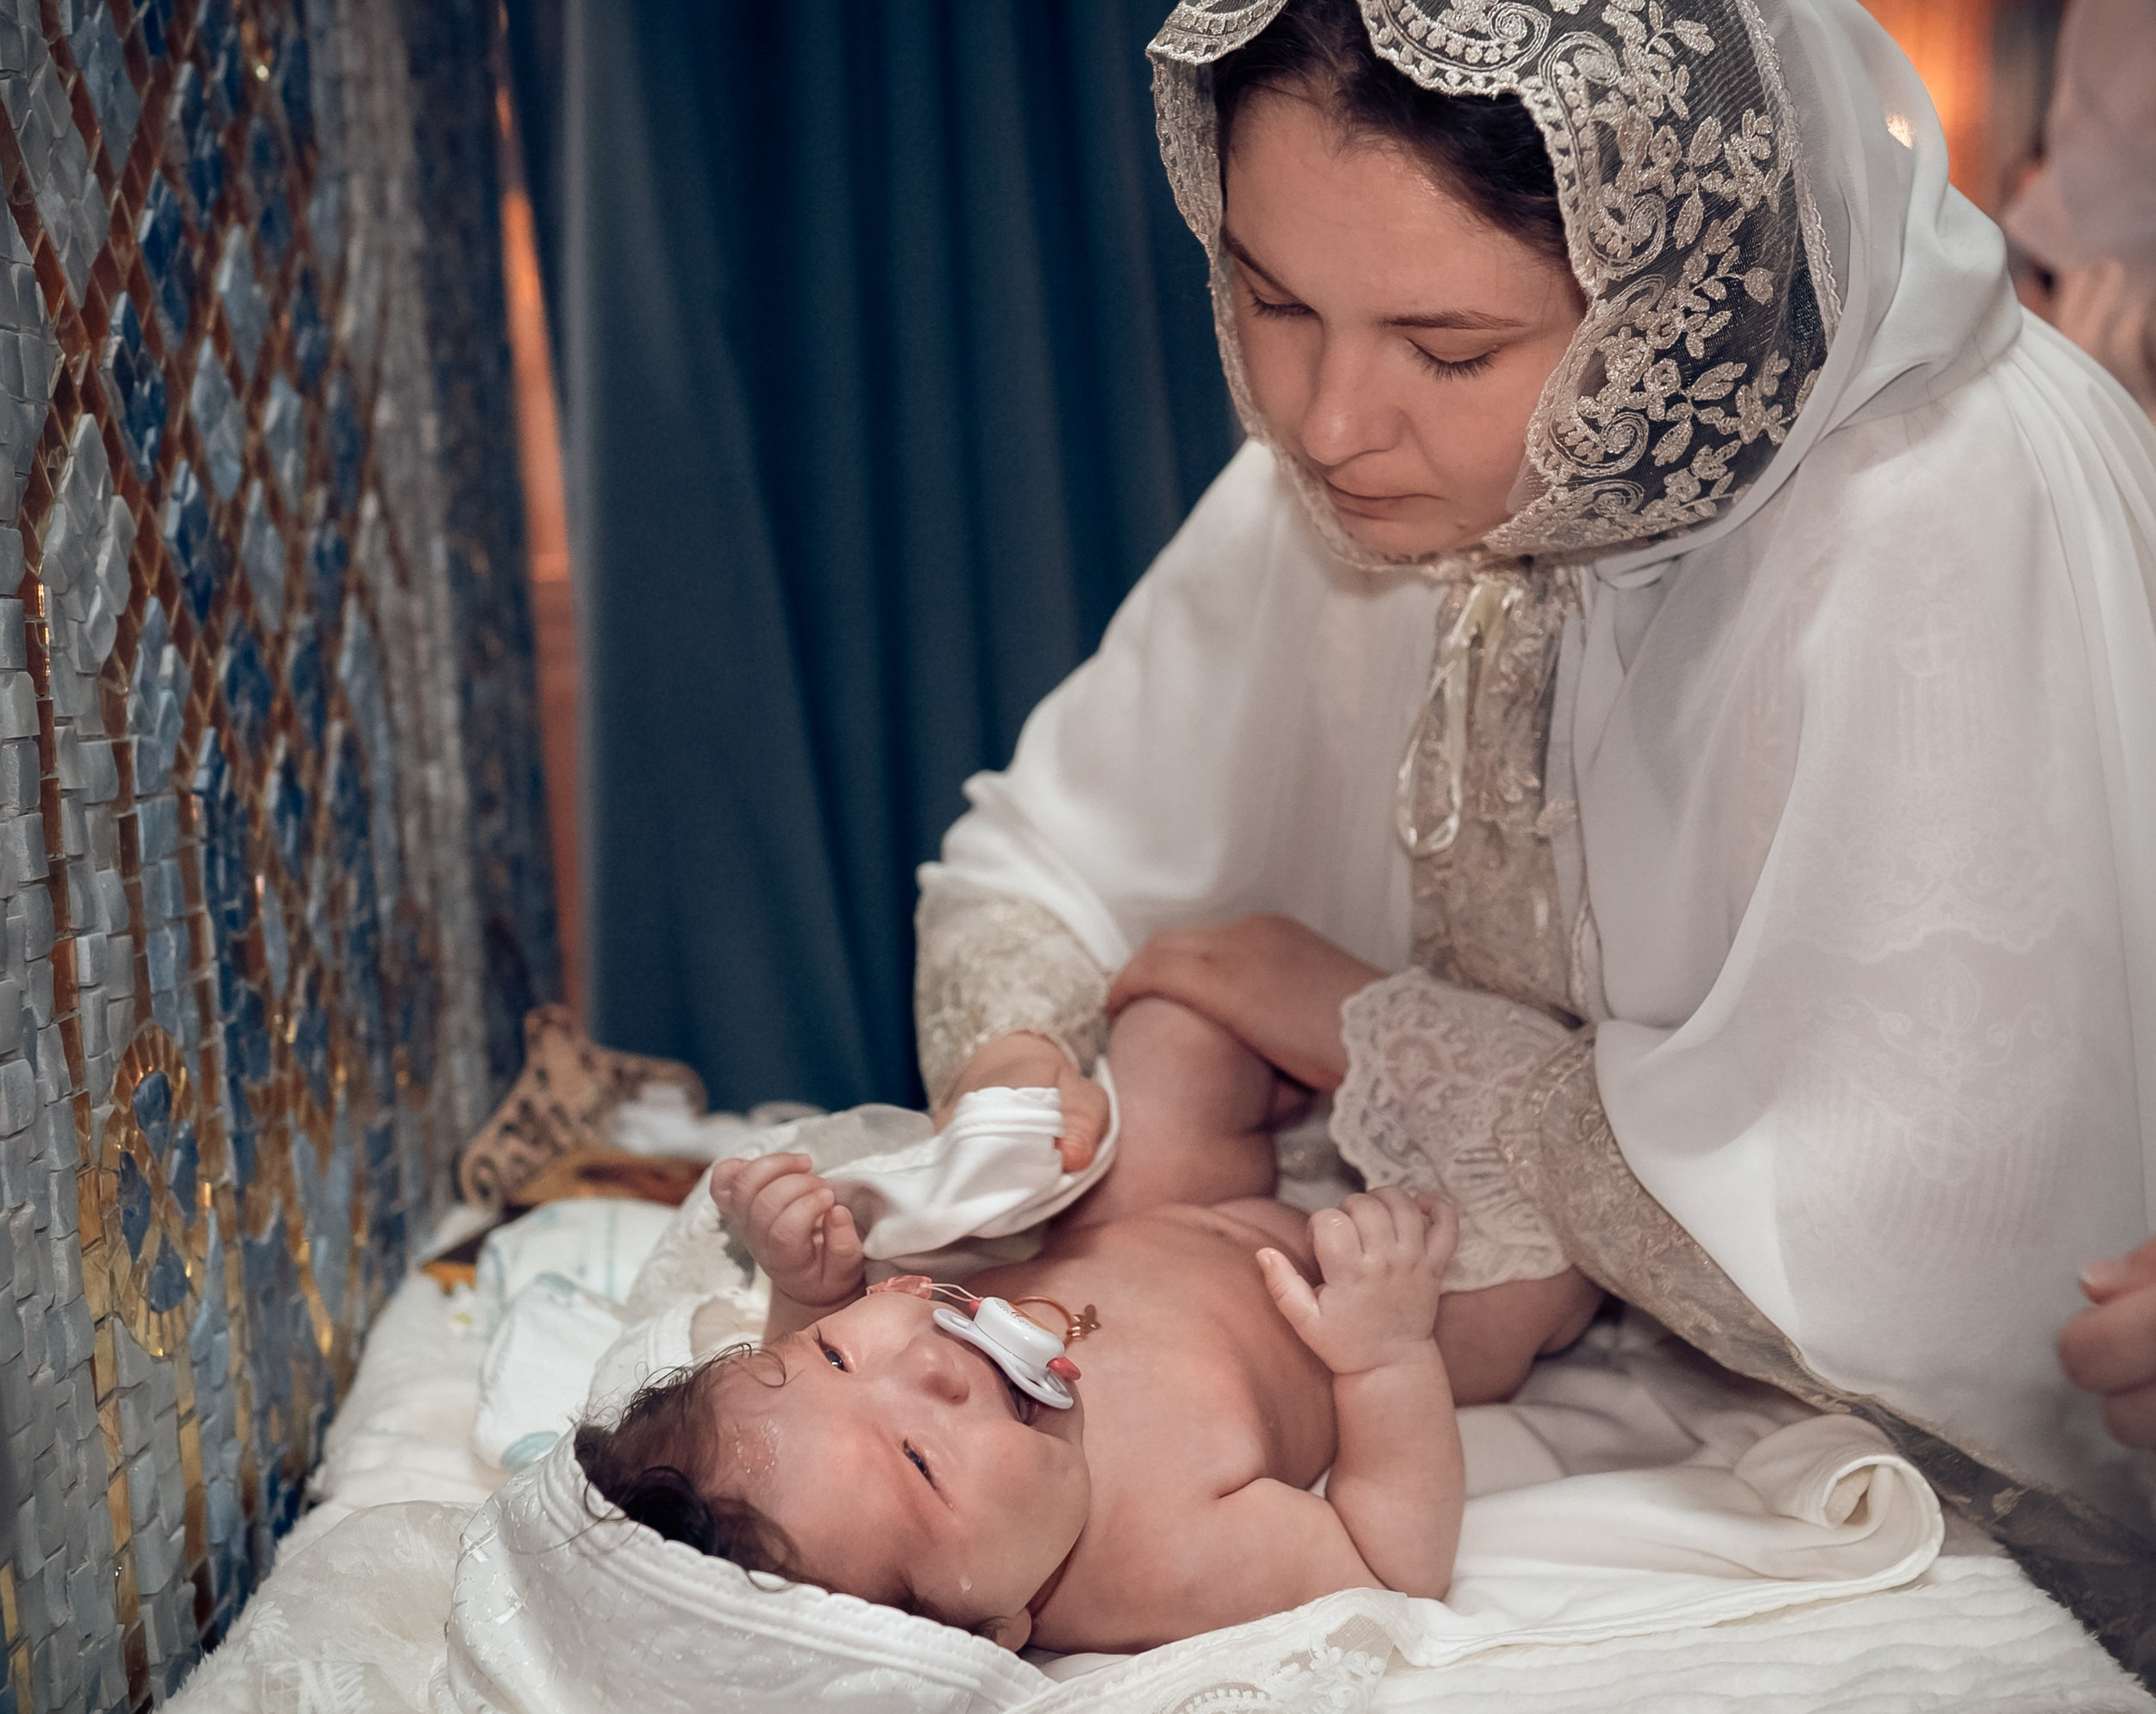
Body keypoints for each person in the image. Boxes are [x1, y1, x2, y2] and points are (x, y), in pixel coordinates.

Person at [912, 0, 2156, 1661]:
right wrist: (1019, 1062)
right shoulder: (1362, 469)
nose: (1329, 422)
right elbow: (1059, 852)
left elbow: (1927, 1248)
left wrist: (1354, 1017)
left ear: (1678, 305)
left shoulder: (1930, 521)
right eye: (1272, 298)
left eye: (1449, 351)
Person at [573, 995, 1597, 1653]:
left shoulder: (893, 1366)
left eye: (835, 1353)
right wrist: (1385, 1351)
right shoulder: (1156, 1560)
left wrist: (806, 1282)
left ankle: (1312, 1081)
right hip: (1347, 1309)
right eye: (923, 1463)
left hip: (1172, 1211)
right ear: (995, 1626)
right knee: (1543, 1276)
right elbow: (1388, 1564)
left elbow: (830, 1358)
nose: (926, 1370)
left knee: (1172, 1027)